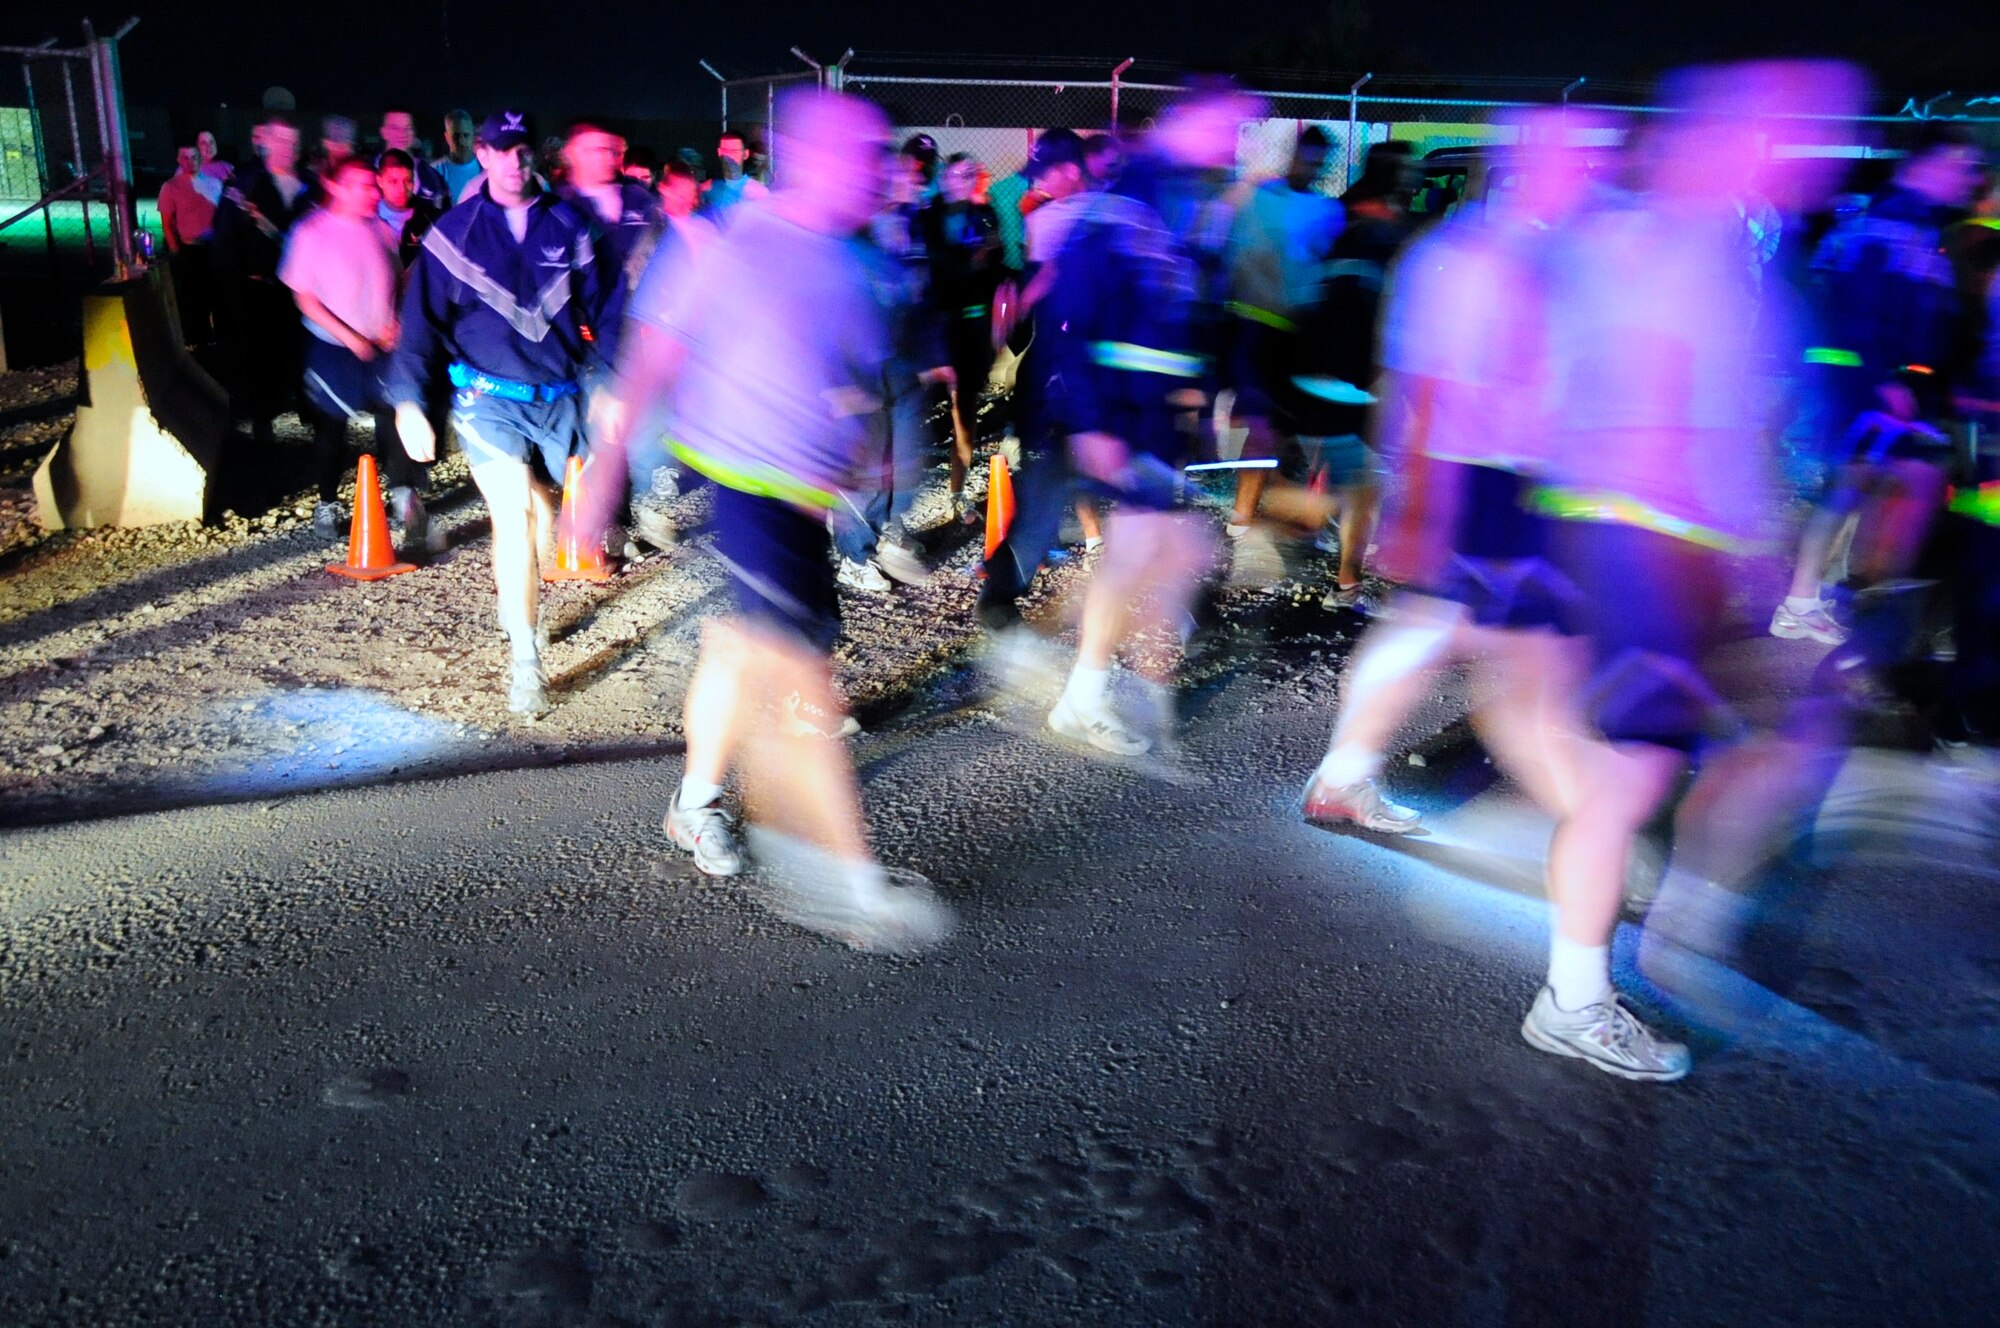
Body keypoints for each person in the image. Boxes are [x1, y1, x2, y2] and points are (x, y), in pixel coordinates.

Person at [594, 90, 952, 953]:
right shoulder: (726, 240)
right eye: (862, 154)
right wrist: (598, 483)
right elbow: (650, 357)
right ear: (805, 157)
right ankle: (845, 886)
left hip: (803, 505)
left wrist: (855, 456)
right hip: (739, 487)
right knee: (799, 678)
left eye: (882, 155)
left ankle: (694, 804)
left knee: (745, 654)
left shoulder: (854, 261)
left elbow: (850, 378)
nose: (880, 170)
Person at [1033, 80, 1261, 755]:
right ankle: (1087, 690)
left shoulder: (1195, 200)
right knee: (1146, 550)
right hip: (1124, 412)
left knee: (1172, 550)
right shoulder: (1133, 195)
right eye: (1226, 125)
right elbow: (1071, 313)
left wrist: (1218, 393)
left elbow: (1200, 313)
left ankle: (1115, 678)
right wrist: (1090, 420)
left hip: (1161, 414)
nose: (1233, 142)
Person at [387, 108, 609, 716]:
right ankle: (526, 661)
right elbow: (417, 329)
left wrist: (613, 383)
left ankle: (521, 609)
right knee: (511, 518)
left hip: (560, 397)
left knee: (546, 517)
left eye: (524, 148)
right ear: (481, 155)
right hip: (486, 401)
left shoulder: (570, 224)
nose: (515, 159)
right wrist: (409, 401)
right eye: (502, 149)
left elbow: (607, 311)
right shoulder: (452, 233)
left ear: (535, 154)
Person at [1772, 124, 1982, 647]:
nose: (1969, 178)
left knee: (1861, 488)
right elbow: (1862, 314)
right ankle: (1823, 604)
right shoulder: (1891, 226)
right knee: (1857, 487)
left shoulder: (1917, 227)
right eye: (1960, 165)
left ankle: (1835, 601)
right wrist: (1890, 381)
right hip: (1874, 386)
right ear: (1923, 165)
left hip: (1890, 385)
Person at [279, 154, 430, 545]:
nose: (372, 192)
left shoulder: (380, 229)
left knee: (395, 413)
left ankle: (404, 496)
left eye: (371, 184)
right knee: (331, 427)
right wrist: (351, 337)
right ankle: (328, 502)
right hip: (331, 346)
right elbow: (304, 299)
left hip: (381, 343)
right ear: (335, 186)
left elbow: (394, 278)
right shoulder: (311, 232)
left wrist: (394, 320)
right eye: (362, 185)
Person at [1220, 126, 1345, 583]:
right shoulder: (1257, 199)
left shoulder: (1325, 210)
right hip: (1256, 327)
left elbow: (1321, 268)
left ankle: (1274, 514)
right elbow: (1237, 260)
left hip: (1297, 332)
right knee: (1260, 425)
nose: (1309, 167)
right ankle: (1243, 516)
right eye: (1305, 157)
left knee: (1288, 427)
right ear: (1292, 156)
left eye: (1317, 161)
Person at [212, 112, 316, 445]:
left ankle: (311, 414)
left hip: (302, 293)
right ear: (264, 141)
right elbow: (224, 238)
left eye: (292, 141)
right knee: (259, 358)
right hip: (256, 290)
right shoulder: (242, 185)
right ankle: (263, 422)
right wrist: (228, 293)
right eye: (279, 140)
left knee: (302, 353)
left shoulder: (311, 187)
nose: (286, 147)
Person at [922, 153, 1005, 522]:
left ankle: (957, 492)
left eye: (971, 174)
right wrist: (972, 262)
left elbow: (995, 268)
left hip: (970, 329)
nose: (965, 180)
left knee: (965, 416)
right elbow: (940, 269)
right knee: (914, 416)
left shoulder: (985, 215)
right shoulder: (927, 216)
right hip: (933, 329)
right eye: (957, 174)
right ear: (944, 178)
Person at [157, 146, 218, 341]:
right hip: (188, 250)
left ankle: (214, 335)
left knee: (214, 294)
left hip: (213, 249)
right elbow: (166, 223)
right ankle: (195, 338)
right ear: (178, 159)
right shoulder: (171, 187)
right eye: (185, 157)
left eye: (194, 157)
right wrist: (176, 250)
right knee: (192, 297)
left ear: (200, 159)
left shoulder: (215, 184)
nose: (190, 161)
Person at [375, 148, 441, 268]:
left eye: (408, 181)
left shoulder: (430, 217)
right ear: (380, 181)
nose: (402, 189)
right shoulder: (369, 216)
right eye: (393, 181)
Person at [377, 108, 450, 207]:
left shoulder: (431, 176)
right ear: (383, 132)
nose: (402, 134)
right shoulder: (366, 173)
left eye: (408, 128)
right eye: (395, 128)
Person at [700, 131, 768, 225]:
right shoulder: (708, 188)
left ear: (745, 154)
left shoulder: (758, 192)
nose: (729, 157)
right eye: (725, 152)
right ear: (719, 152)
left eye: (734, 152)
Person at [435, 109, 482, 203]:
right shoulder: (435, 172)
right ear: (447, 137)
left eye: (466, 135)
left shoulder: (486, 169)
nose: (461, 141)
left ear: (472, 135)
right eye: (456, 136)